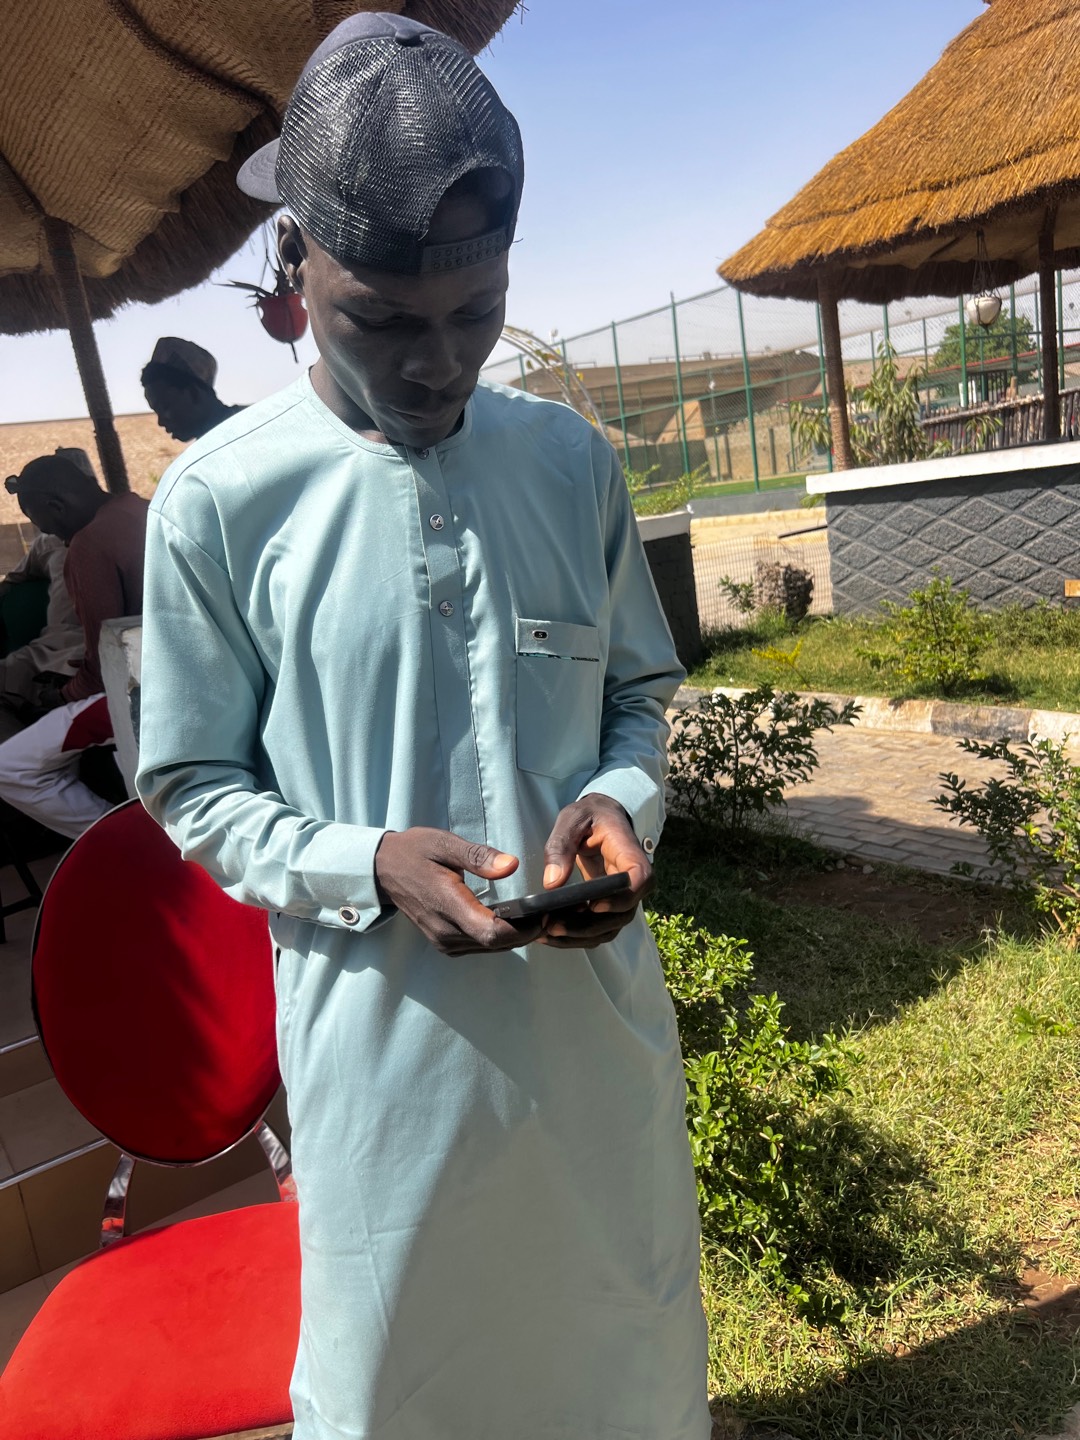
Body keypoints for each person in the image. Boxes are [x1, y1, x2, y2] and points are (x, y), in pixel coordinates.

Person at [135, 14, 709, 1440]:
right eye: (383, 319)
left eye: (475, 311)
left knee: (621, 1366)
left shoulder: (568, 463)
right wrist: (365, 862)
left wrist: (620, 806)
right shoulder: (220, 504)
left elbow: (638, 698)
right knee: (405, 1386)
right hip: (384, 1066)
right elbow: (191, 781)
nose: (439, 360)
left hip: (592, 1049)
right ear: (296, 269)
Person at [0, 453, 147, 837]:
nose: (49, 533)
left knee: (10, 767)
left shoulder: (88, 544)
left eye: (42, 523)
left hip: (140, 698)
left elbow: (104, 669)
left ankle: (127, 841)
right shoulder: (143, 508)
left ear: (56, 505)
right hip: (192, 675)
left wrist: (60, 696)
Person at [0, 450, 89, 741]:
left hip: (76, 659)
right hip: (53, 653)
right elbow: (14, 580)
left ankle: (21, 761)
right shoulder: (49, 543)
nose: (45, 529)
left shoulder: (102, 538)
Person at [140, 336, 243, 442]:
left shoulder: (249, 425)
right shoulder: (206, 446)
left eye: (165, 407)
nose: (160, 422)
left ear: (194, 393)